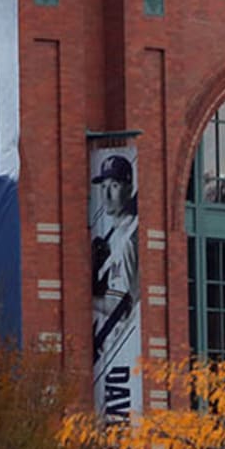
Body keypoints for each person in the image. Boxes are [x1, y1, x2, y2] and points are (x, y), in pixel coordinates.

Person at [91, 153, 138, 362]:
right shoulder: (114, 234)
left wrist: (83, 295)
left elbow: (119, 307)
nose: (107, 194)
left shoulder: (126, 240)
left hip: (118, 349)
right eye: (104, 187)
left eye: (115, 186)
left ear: (128, 189)